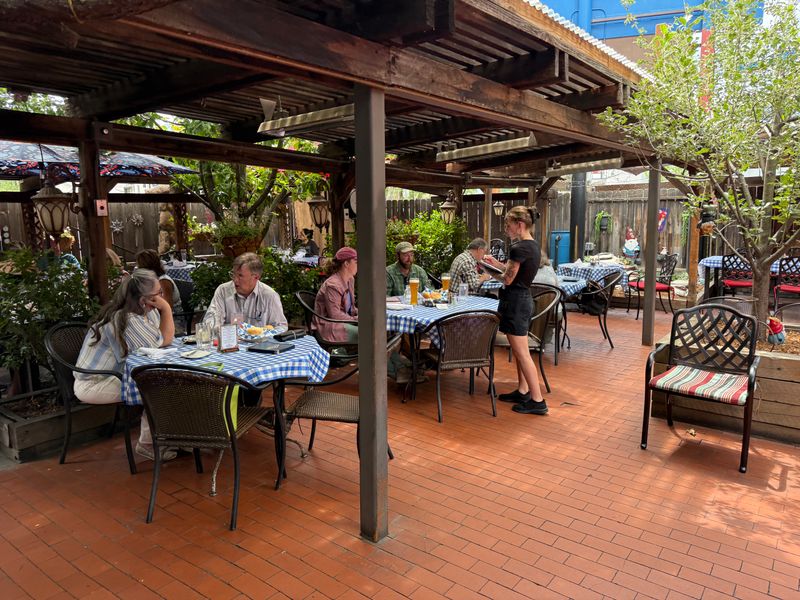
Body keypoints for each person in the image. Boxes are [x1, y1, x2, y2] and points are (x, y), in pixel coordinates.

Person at [73, 268, 177, 460]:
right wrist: (167, 309)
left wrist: (162, 312)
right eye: (158, 294)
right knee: (155, 386)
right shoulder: (126, 319)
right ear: (143, 299)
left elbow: (160, 340)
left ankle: (174, 436)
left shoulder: (146, 312)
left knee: (166, 381)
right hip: (94, 383)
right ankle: (147, 444)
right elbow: (165, 340)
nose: (161, 297)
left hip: (114, 375)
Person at [482, 206, 548, 415]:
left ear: (519, 225)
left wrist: (486, 270)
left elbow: (508, 279)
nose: (505, 229)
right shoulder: (533, 246)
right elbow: (514, 271)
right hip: (523, 300)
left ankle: (537, 400)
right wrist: (497, 263)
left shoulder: (518, 248)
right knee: (520, 353)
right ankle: (523, 390)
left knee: (522, 353)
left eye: (507, 225)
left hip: (515, 303)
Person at [203, 252, 287, 328]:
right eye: (233, 274)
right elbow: (210, 321)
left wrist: (264, 334)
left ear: (256, 277)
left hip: (260, 343)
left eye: (240, 276)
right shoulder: (223, 291)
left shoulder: (269, 295)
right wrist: (224, 332)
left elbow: (281, 326)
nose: (235, 280)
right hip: (231, 343)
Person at [313, 247, 359, 343]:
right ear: (346, 264)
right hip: (329, 325)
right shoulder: (333, 285)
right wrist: (355, 319)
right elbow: (334, 315)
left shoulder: (350, 279)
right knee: (369, 333)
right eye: (356, 262)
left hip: (343, 321)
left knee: (374, 326)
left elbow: (351, 308)